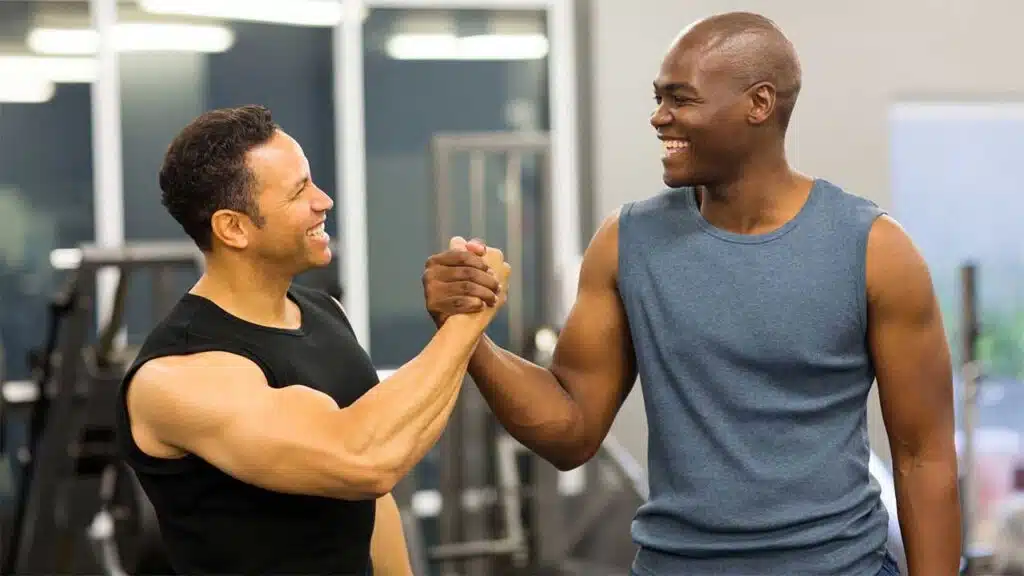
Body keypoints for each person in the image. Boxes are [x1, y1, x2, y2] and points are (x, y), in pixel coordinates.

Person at [421, 12, 961, 576]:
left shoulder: (874, 249)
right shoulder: (626, 242)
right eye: (659, 98)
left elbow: (924, 459)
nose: (659, 117)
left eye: (681, 99)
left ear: (759, 103)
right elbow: (570, 432)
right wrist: (469, 337)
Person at [115, 105, 511, 576]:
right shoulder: (181, 375)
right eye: (299, 191)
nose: (324, 200)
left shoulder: (323, 313)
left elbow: (371, 498)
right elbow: (364, 460)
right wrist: (467, 319)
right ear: (233, 228)